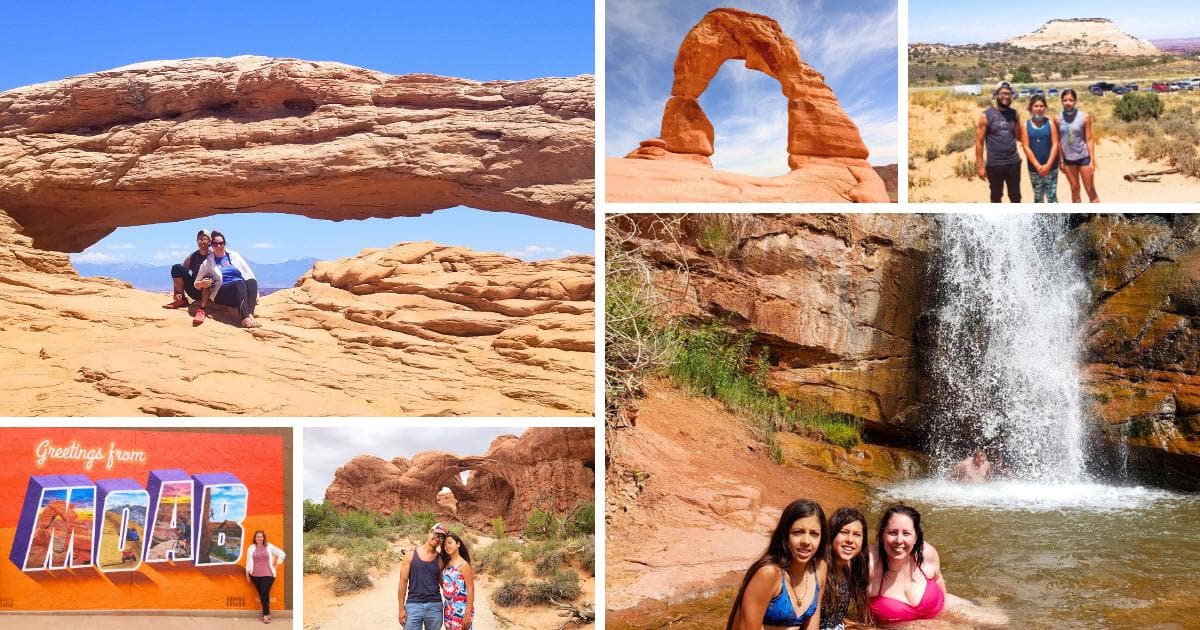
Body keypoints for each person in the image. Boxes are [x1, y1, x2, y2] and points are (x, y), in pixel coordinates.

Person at [726, 498, 827, 630]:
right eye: (798, 532)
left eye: (814, 534)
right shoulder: (769, 574)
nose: (806, 541)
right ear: (785, 535)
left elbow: (812, 626)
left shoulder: (819, 568)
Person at [868, 505, 945, 623]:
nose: (899, 540)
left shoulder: (926, 554)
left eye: (906, 533)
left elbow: (939, 581)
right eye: (892, 533)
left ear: (916, 537)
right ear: (882, 534)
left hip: (942, 616)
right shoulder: (869, 563)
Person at [192, 231, 261, 328]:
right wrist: (202, 283)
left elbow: (248, 273)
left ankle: (250, 315)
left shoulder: (234, 256)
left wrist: (254, 294)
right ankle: (244, 318)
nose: (219, 246)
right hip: (221, 292)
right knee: (239, 283)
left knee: (251, 281)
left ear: (225, 244)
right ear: (212, 246)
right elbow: (196, 283)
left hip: (240, 290)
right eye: (215, 244)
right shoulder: (208, 262)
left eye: (221, 243)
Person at [820, 507, 872, 630]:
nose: (850, 540)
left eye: (857, 535)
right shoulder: (819, 569)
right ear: (831, 534)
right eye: (844, 532)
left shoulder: (849, 572)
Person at [975, 81, 1022, 203]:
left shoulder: (1014, 114)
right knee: (996, 197)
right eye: (1003, 94)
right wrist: (980, 166)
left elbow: (1019, 136)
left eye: (1009, 94)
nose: (1006, 97)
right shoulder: (986, 115)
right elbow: (979, 142)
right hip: (995, 164)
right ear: (996, 95)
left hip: (1013, 163)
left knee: (1015, 197)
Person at [399, 522, 448, 630]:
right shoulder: (410, 556)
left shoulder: (440, 560)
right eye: (436, 534)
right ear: (430, 532)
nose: (437, 539)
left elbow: (444, 583)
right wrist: (401, 609)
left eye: (441, 537)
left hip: (435, 606)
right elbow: (403, 582)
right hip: (413, 605)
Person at [1056, 89, 1099, 202]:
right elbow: (1058, 141)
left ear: (1075, 101)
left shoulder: (1084, 117)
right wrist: (1061, 161)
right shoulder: (1057, 119)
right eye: (1065, 100)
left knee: (1090, 190)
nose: (1068, 102)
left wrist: (1092, 160)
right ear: (1061, 102)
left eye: (1070, 100)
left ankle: (1100, 217)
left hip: (1083, 157)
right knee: (1075, 189)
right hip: (1068, 159)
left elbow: (1089, 139)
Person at [1021, 94, 1060, 203]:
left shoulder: (1050, 123)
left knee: (1052, 197)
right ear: (1031, 108)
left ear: (1045, 108)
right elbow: (1026, 147)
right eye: (1036, 106)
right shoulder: (1025, 125)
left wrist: (1048, 165)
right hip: (1034, 169)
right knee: (1038, 198)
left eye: (1041, 106)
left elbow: (1055, 144)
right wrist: (1038, 166)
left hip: (1051, 168)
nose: (1039, 109)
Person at [244, 529, 286, 624]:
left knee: (263, 593)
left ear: (263, 538)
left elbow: (282, 554)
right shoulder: (251, 548)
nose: (259, 538)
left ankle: (265, 615)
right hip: (254, 575)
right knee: (264, 595)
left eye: (261, 536)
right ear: (255, 538)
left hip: (268, 574)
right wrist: (247, 575)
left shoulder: (269, 546)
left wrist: (277, 565)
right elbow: (248, 561)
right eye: (257, 536)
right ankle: (268, 614)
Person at [162, 229, 211, 309]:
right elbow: (180, 275)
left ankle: (203, 307)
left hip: (208, 291)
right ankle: (182, 300)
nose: (202, 241)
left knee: (208, 277)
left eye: (204, 239)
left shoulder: (213, 256)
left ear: (209, 241)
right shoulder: (192, 257)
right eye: (199, 239)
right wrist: (176, 293)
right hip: (195, 290)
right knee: (177, 268)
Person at [441, 533, 475, 630]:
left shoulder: (464, 565)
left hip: (461, 609)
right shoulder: (447, 563)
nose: (447, 546)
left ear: (458, 544)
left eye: (450, 543)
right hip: (448, 607)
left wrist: (467, 613)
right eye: (445, 544)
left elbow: (471, 589)